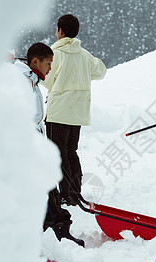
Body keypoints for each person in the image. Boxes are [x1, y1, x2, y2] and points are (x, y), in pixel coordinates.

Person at [42, 14, 107, 246]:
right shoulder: (84, 54)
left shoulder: (54, 54)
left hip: (59, 112)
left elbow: (46, 80)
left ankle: (63, 195)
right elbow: (101, 71)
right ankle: (73, 192)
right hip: (77, 113)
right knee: (71, 151)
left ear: (60, 31)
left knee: (56, 155)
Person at [13, 42, 53, 135]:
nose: (50, 68)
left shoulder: (32, 80)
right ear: (35, 61)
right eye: (48, 64)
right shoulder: (23, 82)